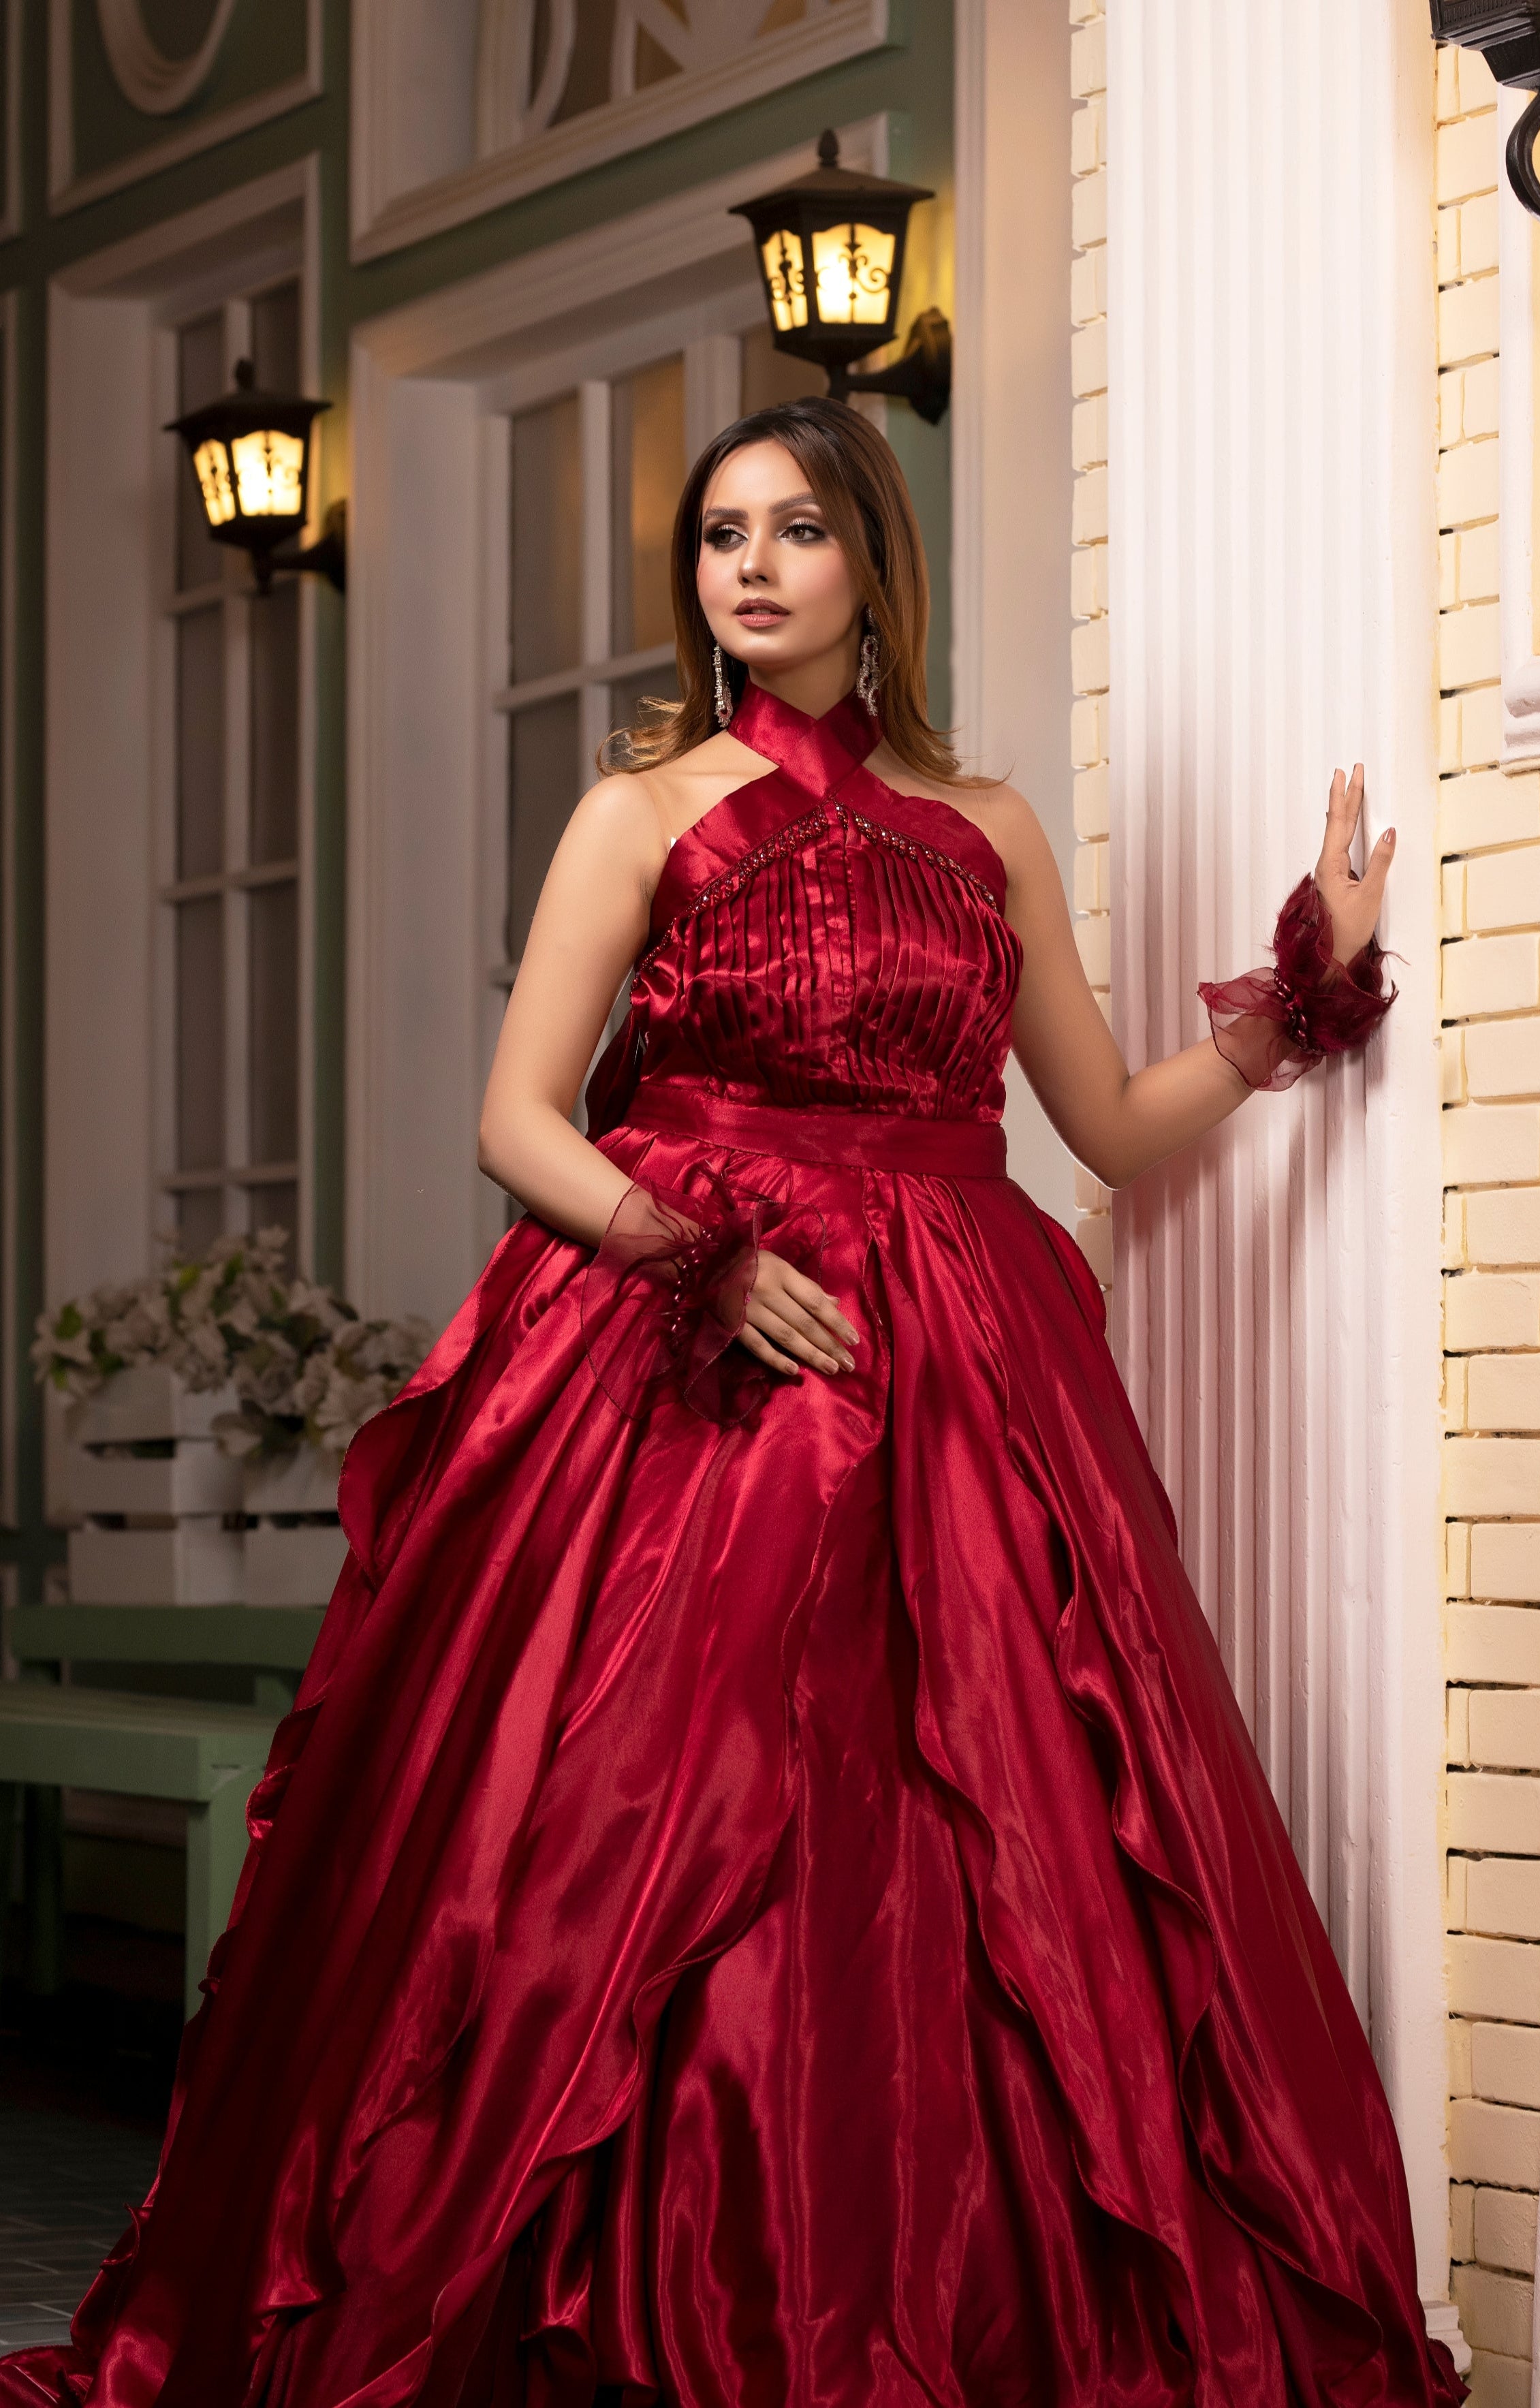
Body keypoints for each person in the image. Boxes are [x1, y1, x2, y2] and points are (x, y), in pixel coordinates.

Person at [1, 397, 1464, 2408]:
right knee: (645, 1826)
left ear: (875, 561)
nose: (748, 567)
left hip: (964, 1369)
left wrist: (1302, 1003)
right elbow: (517, 1123)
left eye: (792, 529)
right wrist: (696, 1254)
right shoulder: (641, 810)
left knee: (988, 1818)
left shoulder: (989, 830)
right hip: (693, 1355)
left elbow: (1112, 1131)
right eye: (715, 536)